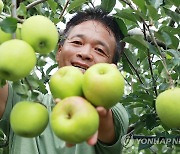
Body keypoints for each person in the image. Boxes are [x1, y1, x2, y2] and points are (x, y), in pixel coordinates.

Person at [0, 8, 129, 154]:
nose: (85, 54)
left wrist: (97, 112)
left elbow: (106, 123)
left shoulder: (113, 110)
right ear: (59, 51)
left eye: (99, 50)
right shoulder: (22, 102)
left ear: (112, 67)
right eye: (77, 42)